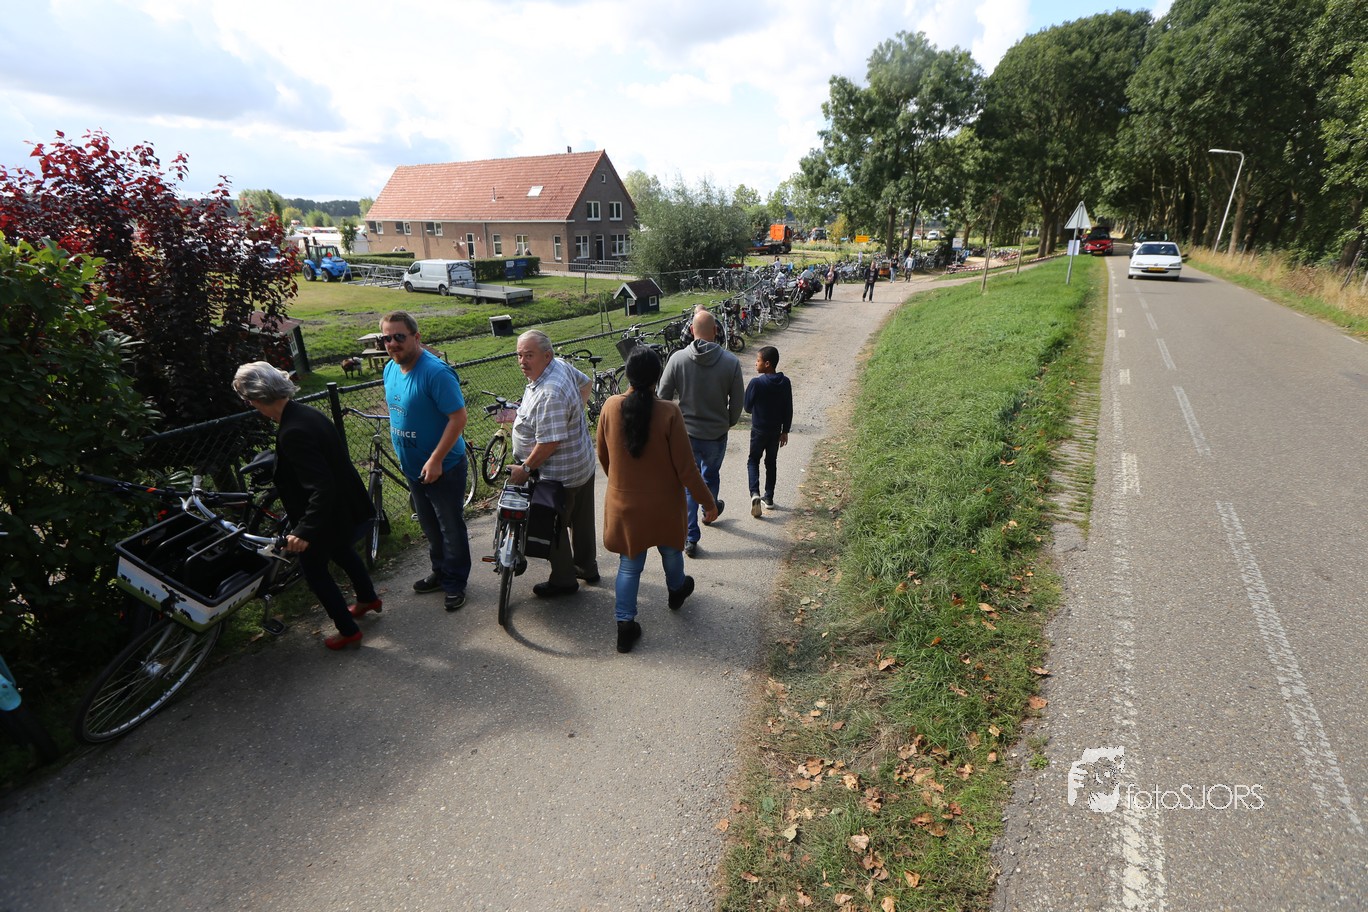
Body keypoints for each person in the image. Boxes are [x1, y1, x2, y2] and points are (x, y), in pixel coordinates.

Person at [233, 362, 380, 650]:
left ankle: (348, 630)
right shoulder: (306, 414)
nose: (250, 405)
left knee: (315, 573)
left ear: (258, 397)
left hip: (324, 515)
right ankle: (367, 598)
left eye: (248, 399)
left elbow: (321, 486)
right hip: (342, 507)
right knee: (342, 551)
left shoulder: (293, 431)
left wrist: (304, 531)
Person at [596, 350, 718, 653]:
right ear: (657, 377)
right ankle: (676, 590)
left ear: (627, 374)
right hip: (664, 504)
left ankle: (625, 626)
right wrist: (708, 503)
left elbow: (603, 455)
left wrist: (622, 483)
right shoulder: (669, 412)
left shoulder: (610, 406)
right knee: (671, 550)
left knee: (629, 565)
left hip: (625, 505)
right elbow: (687, 469)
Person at [380, 310, 472, 612]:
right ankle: (440, 572)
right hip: (414, 468)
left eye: (399, 336)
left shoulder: (436, 373)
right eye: (386, 338)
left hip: (443, 467)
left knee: (450, 527)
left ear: (416, 337)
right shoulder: (390, 370)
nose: (392, 343)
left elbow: (458, 418)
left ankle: (455, 582)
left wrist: (435, 459)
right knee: (430, 526)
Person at [507, 330, 599, 596]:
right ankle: (587, 568)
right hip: (581, 464)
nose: (522, 361)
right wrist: (573, 417)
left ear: (546, 356)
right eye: (519, 355)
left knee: (553, 526)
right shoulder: (558, 365)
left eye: (529, 355)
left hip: (559, 477)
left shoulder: (550, 393)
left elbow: (548, 443)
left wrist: (525, 469)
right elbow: (586, 384)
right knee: (582, 522)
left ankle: (564, 580)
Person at [658, 309, 744, 558]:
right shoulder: (731, 362)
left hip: (685, 435)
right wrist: (728, 422)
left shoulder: (677, 359)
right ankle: (709, 510)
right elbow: (737, 402)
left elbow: (663, 397)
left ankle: (690, 537)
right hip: (716, 434)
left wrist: (673, 424)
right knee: (710, 475)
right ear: (716, 331)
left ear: (692, 331)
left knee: (689, 483)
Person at [744, 346, 793, 517]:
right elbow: (788, 408)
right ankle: (769, 497)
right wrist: (785, 431)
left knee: (753, 461)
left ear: (767, 364)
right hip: (775, 432)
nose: (755, 363)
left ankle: (755, 494)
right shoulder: (785, 382)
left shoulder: (756, 383)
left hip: (758, 431)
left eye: (758, 360)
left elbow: (747, 407)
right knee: (771, 463)